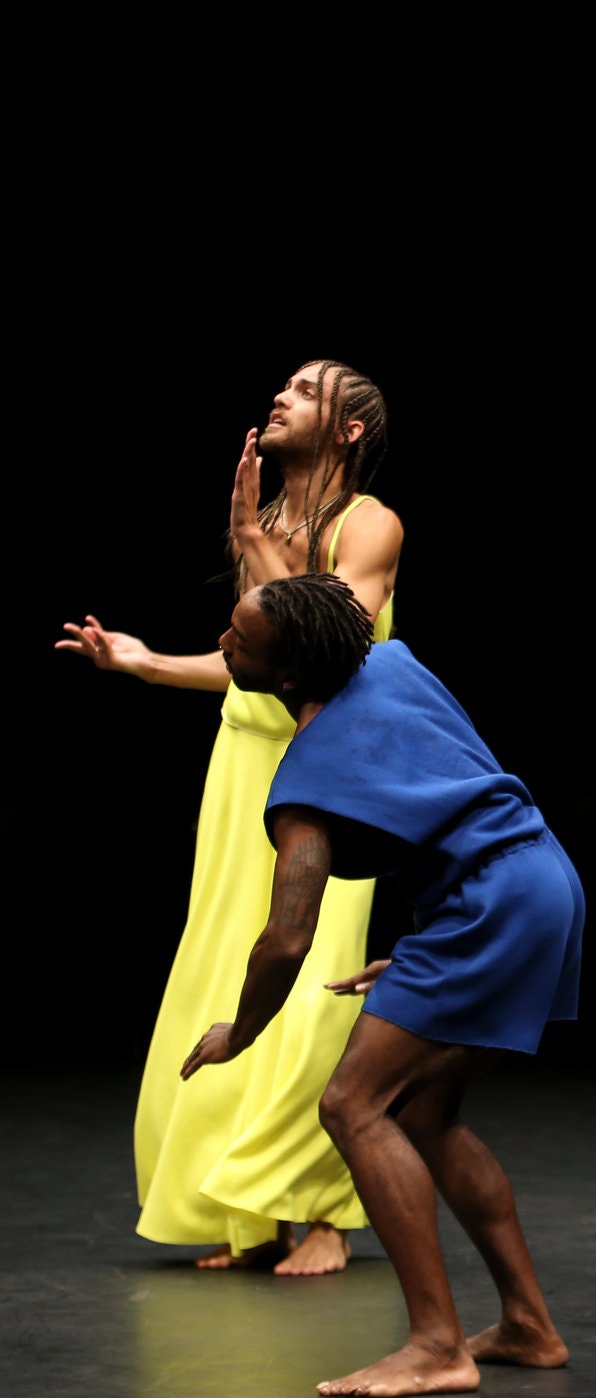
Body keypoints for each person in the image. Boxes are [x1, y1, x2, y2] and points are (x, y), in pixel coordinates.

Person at [187, 571, 582, 1397]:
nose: (224, 644)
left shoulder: (303, 787)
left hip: (490, 906)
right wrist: (430, 945)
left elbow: (287, 938)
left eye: (239, 641)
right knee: (422, 1112)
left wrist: (241, 1032)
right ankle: (528, 1326)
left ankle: (438, 1345)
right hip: (538, 879)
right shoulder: (391, 659)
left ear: (288, 675)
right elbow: (440, 798)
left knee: (350, 1104)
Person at [56, 360, 403, 1274]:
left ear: (350, 429)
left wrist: (250, 534)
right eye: (283, 383)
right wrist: (146, 664)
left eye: (306, 388)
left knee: (315, 983)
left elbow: (320, 645)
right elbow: (256, 668)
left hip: (329, 770)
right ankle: (252, 1211)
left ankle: (322, 1210)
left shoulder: (370, 525)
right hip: (241, 762)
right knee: (225, 971)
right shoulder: (275, 525)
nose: (281, 394)